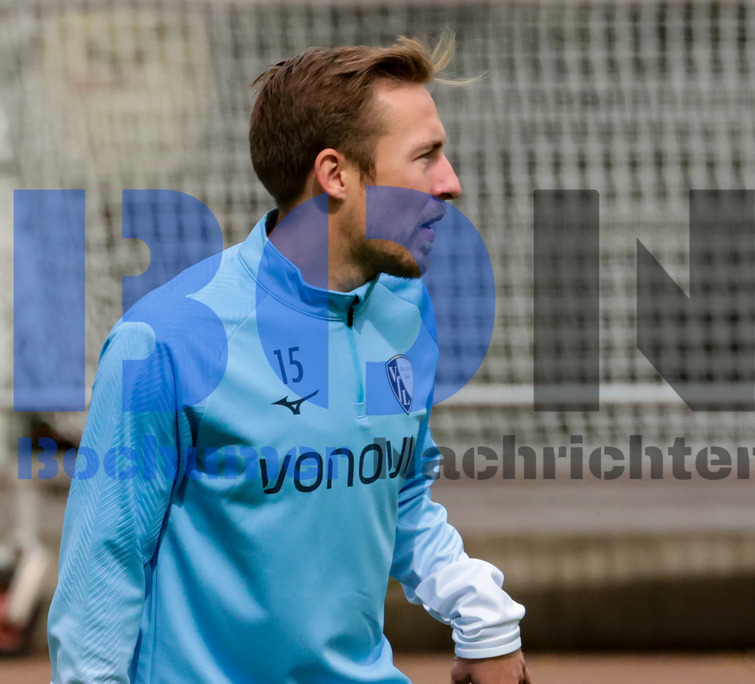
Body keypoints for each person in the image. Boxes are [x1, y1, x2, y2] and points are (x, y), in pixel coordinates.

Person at [47, 35, 531, 684]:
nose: (451, 183)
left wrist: (485, 617)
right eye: (426, 157)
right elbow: (100, 579)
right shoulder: (165, 340)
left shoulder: (403, 305)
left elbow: (401, 493)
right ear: (335, 175)